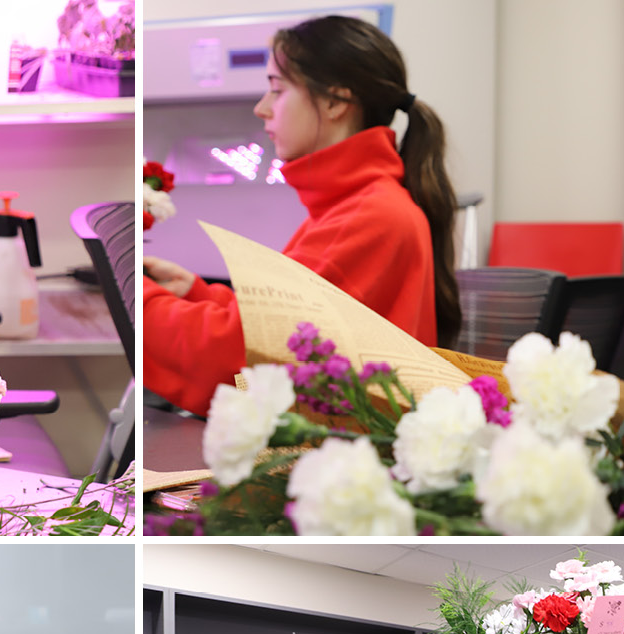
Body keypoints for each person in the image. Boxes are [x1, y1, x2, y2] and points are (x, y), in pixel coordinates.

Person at [142, 15, 461, 416]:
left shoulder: (366, 217)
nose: (262, 108)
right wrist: (196, 292)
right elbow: (287, 330)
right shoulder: (353, 205)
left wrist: (139, 299)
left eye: (277, 89)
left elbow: (235, 359)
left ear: (334, 102)